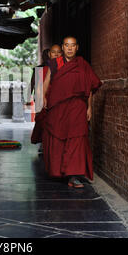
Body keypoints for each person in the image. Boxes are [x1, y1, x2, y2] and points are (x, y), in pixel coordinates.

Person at [42, 36, 102, 188]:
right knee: (58, 137)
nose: (69, 48)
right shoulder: (55, 64)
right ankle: (60, 170)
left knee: (77, 139)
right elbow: (46, 82)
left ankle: (73, 175)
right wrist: (42, 97)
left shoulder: (83, 65)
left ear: (77, 48)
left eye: (72, 45)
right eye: (67, 45)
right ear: (63, 47)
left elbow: (88, 88)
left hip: (77, 107)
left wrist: (89, 107)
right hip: (58, 108)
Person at [30, 45, 62, 147]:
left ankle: (47, 142)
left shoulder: (61, 67)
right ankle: (45, 142)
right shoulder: (40, 69)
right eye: (53, 52)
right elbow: (34, 83)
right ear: (49, 55)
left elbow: (32, 83)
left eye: (58, 52)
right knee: (43, 121)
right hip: (43, 97)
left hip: (52, 98)